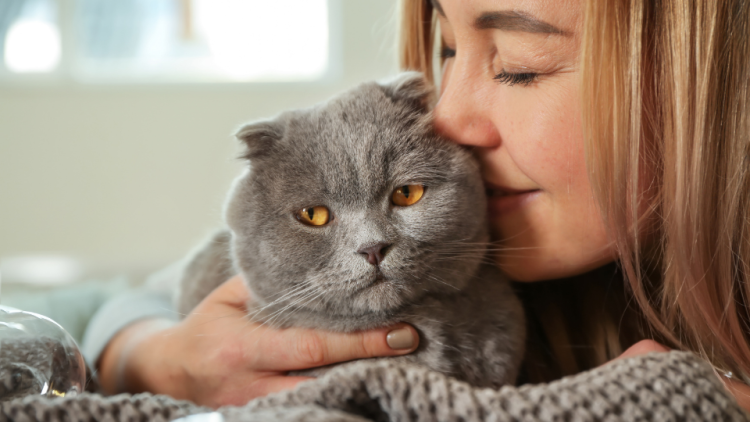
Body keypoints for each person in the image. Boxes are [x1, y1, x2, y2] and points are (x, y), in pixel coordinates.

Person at [83, 0, 750, 411]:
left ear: (708, 81)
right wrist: (149, 359)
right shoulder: (473, 238)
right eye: (449, 49)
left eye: (520, 64)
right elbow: (117, 304)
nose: (449, 116)